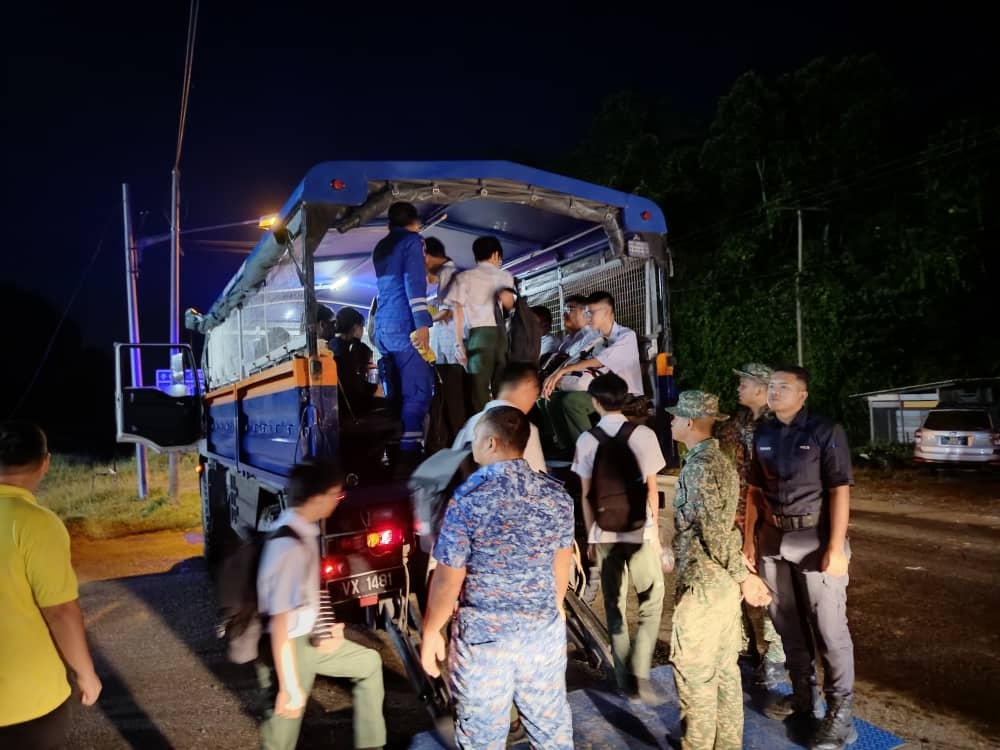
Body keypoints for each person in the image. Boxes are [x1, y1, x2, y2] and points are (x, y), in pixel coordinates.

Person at [420, 406, 575, 749]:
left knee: (483, 737)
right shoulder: (556, 496)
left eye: (475, 439)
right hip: (541, 635)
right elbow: (561, 561)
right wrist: (556, 605)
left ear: (491, 442)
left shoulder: (468, 500)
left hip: (486, 644)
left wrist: (431, 631)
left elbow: (448, 579)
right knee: (551, 731)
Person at [744, 366, 857, 750]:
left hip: (815, 538)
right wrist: (749, 542)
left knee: (829, 630)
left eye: (784, 387)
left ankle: (841, 715)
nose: (775, 392)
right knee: (787, 626)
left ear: (803, 394)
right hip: (773, 539)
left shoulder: (826, 431)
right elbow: (755, 491)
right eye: (771, 386)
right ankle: (805, 700)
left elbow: (840, 490)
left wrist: (835, 549)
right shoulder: (763, 432)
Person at [666, 392, 772, 750]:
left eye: (676, 417)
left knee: (695, 678)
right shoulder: (719, 459)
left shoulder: (700, 467)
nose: (672, 422)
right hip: (721, 588)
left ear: (691, 422)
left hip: (704, 589)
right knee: (726, 673)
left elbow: (715, 531)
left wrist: (746, 578)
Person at [257, 458, 386, 750]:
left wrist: (326, 628)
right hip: (290, 648)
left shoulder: (303, 532)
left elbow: (309, 593)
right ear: (317, 498)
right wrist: (289, 686)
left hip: (310, 640)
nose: (338, 501)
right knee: (281, 735)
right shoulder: (287, 546)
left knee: (369, 664)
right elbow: (280, 623)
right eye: (336, 494)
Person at [0, 420, 103, 748]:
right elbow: (60, 612)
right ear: (45, 463)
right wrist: (86, 673)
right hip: (25, 702)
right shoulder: (36, 524)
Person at [571, 373, 666, 700]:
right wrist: (656, 534)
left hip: (605, 531)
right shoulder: (643, 435)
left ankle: (625, 681)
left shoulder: (586, 440)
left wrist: (592, 538)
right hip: (640, 531)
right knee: (652, 600)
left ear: (595, 402)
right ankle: (640, 670)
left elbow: (584, 494)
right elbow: (652, 490)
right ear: (624, 399)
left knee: (614, 605)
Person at [715, 362, 786, 688]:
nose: (738, 387)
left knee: (770, 583)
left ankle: (776, 656)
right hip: (735, 514)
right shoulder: (734, 424)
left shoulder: (782, 426)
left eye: (744, 383)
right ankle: (745, 649)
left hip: (769, 517)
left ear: (761, 388)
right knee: (734, 579)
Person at [371, 201, 435, 475]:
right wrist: (422, 323)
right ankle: (410, 459)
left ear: (389, 224)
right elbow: (414, 281)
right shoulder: (412, 242)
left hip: (383, 328)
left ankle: (394, 451)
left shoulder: (381, 246)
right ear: (416, 222)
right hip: (404, 326)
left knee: (394, 396)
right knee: (417, 391)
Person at [541, 290, 642, 451]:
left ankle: (594, 452)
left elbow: (597, 361)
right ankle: (568, 449)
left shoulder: (626, 336)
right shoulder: (594, 335)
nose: (587, 318)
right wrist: (553, 375)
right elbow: (574, 357)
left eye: (591, 313)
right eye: (586, 313)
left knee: (572, 401)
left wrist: (561, 372)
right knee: (552, 399)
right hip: (598, 389)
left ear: (606, 312)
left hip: (622, 393)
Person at [446, 236, 515, 412]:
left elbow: (458, 312)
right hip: (502, 335)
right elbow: (509, 304)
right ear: (495, 255)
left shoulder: (464, 277)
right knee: (501, 385)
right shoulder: (505, 275)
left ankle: (481, 428)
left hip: (479, 335)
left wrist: (459, 343)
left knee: (478, 388)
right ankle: (503, 424)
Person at [451, 361, 547, 473]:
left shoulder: (473, 421)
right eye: (535, 395)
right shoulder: (523, 430)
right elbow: (537, 478)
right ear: (528, 386)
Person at [423, 236, 462, 365]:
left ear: (427, 256)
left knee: (451, 379)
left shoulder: (447, 273)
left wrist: (423, 321)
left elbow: (446, 312)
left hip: (452, 340)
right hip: (450, 340)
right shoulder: (447, 273)